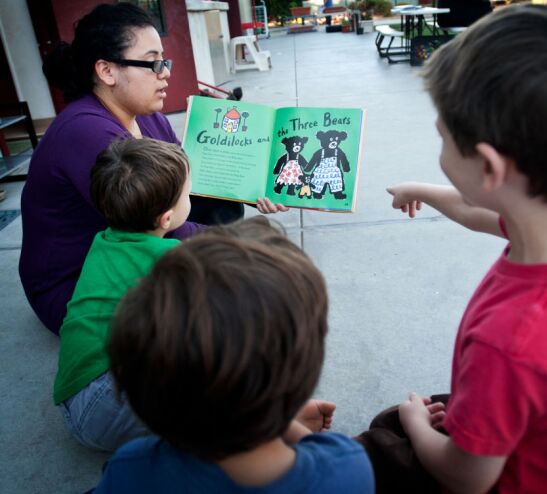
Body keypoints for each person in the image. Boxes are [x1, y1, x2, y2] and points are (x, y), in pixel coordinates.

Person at [360, 5, 547, 494]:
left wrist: (416, 424)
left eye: (442, 138)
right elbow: (478, 211)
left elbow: (467, 476)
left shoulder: (513, 341)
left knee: (383, 433)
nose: (438, 148)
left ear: (488, 167)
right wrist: (422, 188)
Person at [19, 2, 285, 335]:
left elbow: (185, 179)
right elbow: (156, 222)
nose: (166, 72)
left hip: (128, 246)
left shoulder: (145, 113)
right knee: (229, 304)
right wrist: (240, 245)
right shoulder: (84, 132)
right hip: (78, 285)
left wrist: (251, 188)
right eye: (151, 63)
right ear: (107, 71)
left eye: (164, 60)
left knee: (222, 208)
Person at [92, 219, 374, 493]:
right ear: (306, 373)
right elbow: (325, 454)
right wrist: (279, 420)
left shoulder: (131, 469)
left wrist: (275, 417)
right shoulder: (346, 470)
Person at [54, 138, 192, 451]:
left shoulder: (103, 241)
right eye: (188, 193)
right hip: (111, 402)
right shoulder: (170, 257)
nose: (190, 196)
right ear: (166, 219)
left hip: (73, 397)